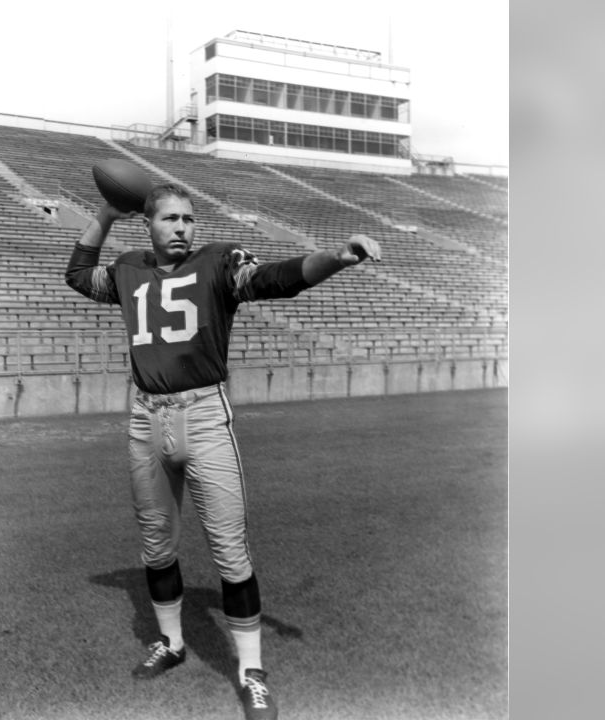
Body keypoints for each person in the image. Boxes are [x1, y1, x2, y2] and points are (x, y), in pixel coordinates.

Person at [64, 183, 380, 720]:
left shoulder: (218, 261)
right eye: (170, 218)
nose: (183, 227)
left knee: (229, 550)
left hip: (206, 418)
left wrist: (335, 258)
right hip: (146, 418)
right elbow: (76, 275)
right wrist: (105, 213)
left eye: (189, 218)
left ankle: (251, 672)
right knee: (156, 544)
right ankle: (172, 643)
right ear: (149, 223)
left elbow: (272, 280)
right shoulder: (127, 269)